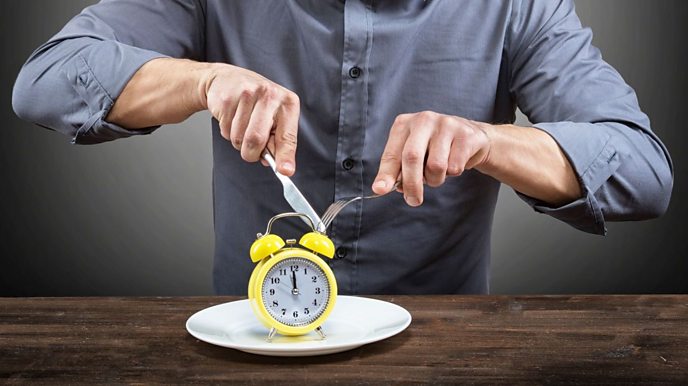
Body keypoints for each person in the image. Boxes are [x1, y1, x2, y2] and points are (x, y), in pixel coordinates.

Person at [12, 0, 672, 295]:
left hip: (445, 349)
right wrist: (203, 81)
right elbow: (46, 79)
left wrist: (488, 142)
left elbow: (642, 170)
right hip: (249, 346)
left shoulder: (519, 7)